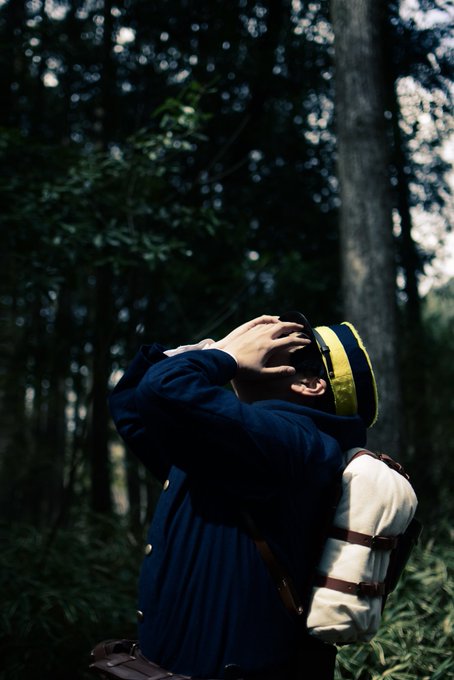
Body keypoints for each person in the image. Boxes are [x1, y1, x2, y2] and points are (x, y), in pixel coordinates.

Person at [108, 310, 379, 680]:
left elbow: (162, 390)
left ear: (310, 384)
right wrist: (214, 348)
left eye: (281, 346)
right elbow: (131, 405)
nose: (259, 345)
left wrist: (225, 357)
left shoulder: (297, 443)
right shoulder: (235, 443)